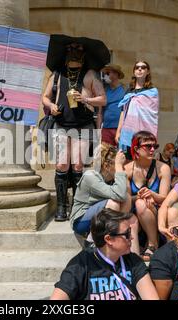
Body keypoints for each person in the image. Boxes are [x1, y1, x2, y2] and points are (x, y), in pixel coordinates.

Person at [42, 42, 107, 221]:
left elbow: (102, 99)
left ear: (84, 54)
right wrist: (51, 106)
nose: (74, 52)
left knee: (78, 165)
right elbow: (45, 97)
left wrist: (86, 98)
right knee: (62, 165)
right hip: (61, 124)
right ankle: (62, 206)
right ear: (65, 53)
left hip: (83, 125)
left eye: (79, 49)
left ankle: (77, 206)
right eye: (70, 49)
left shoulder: (90, 74)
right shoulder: (57, 74)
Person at [51, 208, 159, 300]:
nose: (132, 237)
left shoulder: (133, 261)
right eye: (127, 234)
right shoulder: (81, 265)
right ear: (109, 239)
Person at [70, 143, 139, 255]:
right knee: (113, 204)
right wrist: (119, 168)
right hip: (81, 221)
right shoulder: (90, 176)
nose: (122, 168)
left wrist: (138, 197)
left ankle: (134, 258)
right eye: (117, 165)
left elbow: (123, 196)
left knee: (130, 213)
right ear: (106, 166)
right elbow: (119, 195)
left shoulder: (109, 178)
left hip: (98, 216)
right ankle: (91, 241)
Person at [125, 131, 171, 261]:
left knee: (141, 204)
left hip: (156, 212)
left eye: (154, 146)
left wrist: (152, 194)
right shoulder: (128, 169)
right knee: (139, 203)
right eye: (147, 146)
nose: (152, 150)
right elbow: (126, 200)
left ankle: (153, 244)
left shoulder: (163, 168)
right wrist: (139, 196)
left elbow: (165, 197)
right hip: (135, 215)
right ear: (136, 149)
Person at [115, 61, 159, 161]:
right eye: (137, 67)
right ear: (134, 72)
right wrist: (118, 131)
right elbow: (123, 112)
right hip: (127, 133)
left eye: (143, 67)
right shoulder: (129, 91)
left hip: (144, 133)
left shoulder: (152, 91)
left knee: (142, 160)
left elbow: (153, 116)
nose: (140, 69)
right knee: (126, 161)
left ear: (147, 72)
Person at [99, 64, 125, 146]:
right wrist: (99, 129)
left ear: (118, 74)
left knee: (121, 154)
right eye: (109, 73)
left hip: (121, 128)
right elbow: (100, 112)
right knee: (105, 155)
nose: (111, 74)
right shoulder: (104, 90)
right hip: (106, 127)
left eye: (113, 72)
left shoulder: (125, 89)